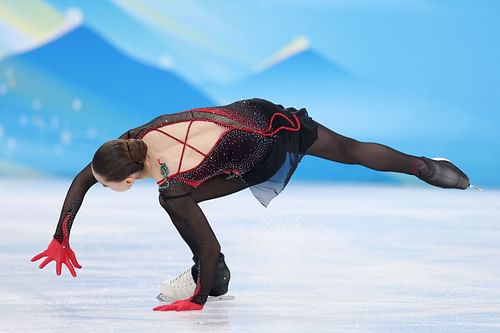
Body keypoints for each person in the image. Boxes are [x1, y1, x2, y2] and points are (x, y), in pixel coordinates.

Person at [30, 98, 471, 312]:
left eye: (111, 186)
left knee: (186, 209)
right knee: (351, 149)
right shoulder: (133, 138)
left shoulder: (171, 187)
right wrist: (60, 236)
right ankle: (430, 169)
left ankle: (212, 280)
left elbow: (206, 243)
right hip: (260, 115)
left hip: (259, 155)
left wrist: (200, 300)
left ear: (128, 178)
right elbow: (87, 176)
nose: (103, 187)